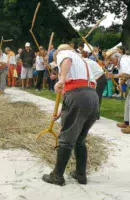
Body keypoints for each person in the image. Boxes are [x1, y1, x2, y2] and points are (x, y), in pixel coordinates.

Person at [42, 44, 98, 186]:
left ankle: (57, 176)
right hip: (93, 98)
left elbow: (66, 61)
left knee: (66, 139)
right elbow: (88, 87)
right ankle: (80, 174)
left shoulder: (64, 53)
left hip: (77, 96)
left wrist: (61, 79)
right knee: (80, 139)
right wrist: (63, 111)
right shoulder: (83, 61)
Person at [106, 49, 130, 134]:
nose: (112, 62)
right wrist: (120, 84)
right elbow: (124, 75)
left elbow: (127, 74)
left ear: (117, 56)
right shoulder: (121, 61)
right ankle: (127, 123)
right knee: (128, 102)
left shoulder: (124, 60)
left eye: (112, 60)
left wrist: (113, 76)